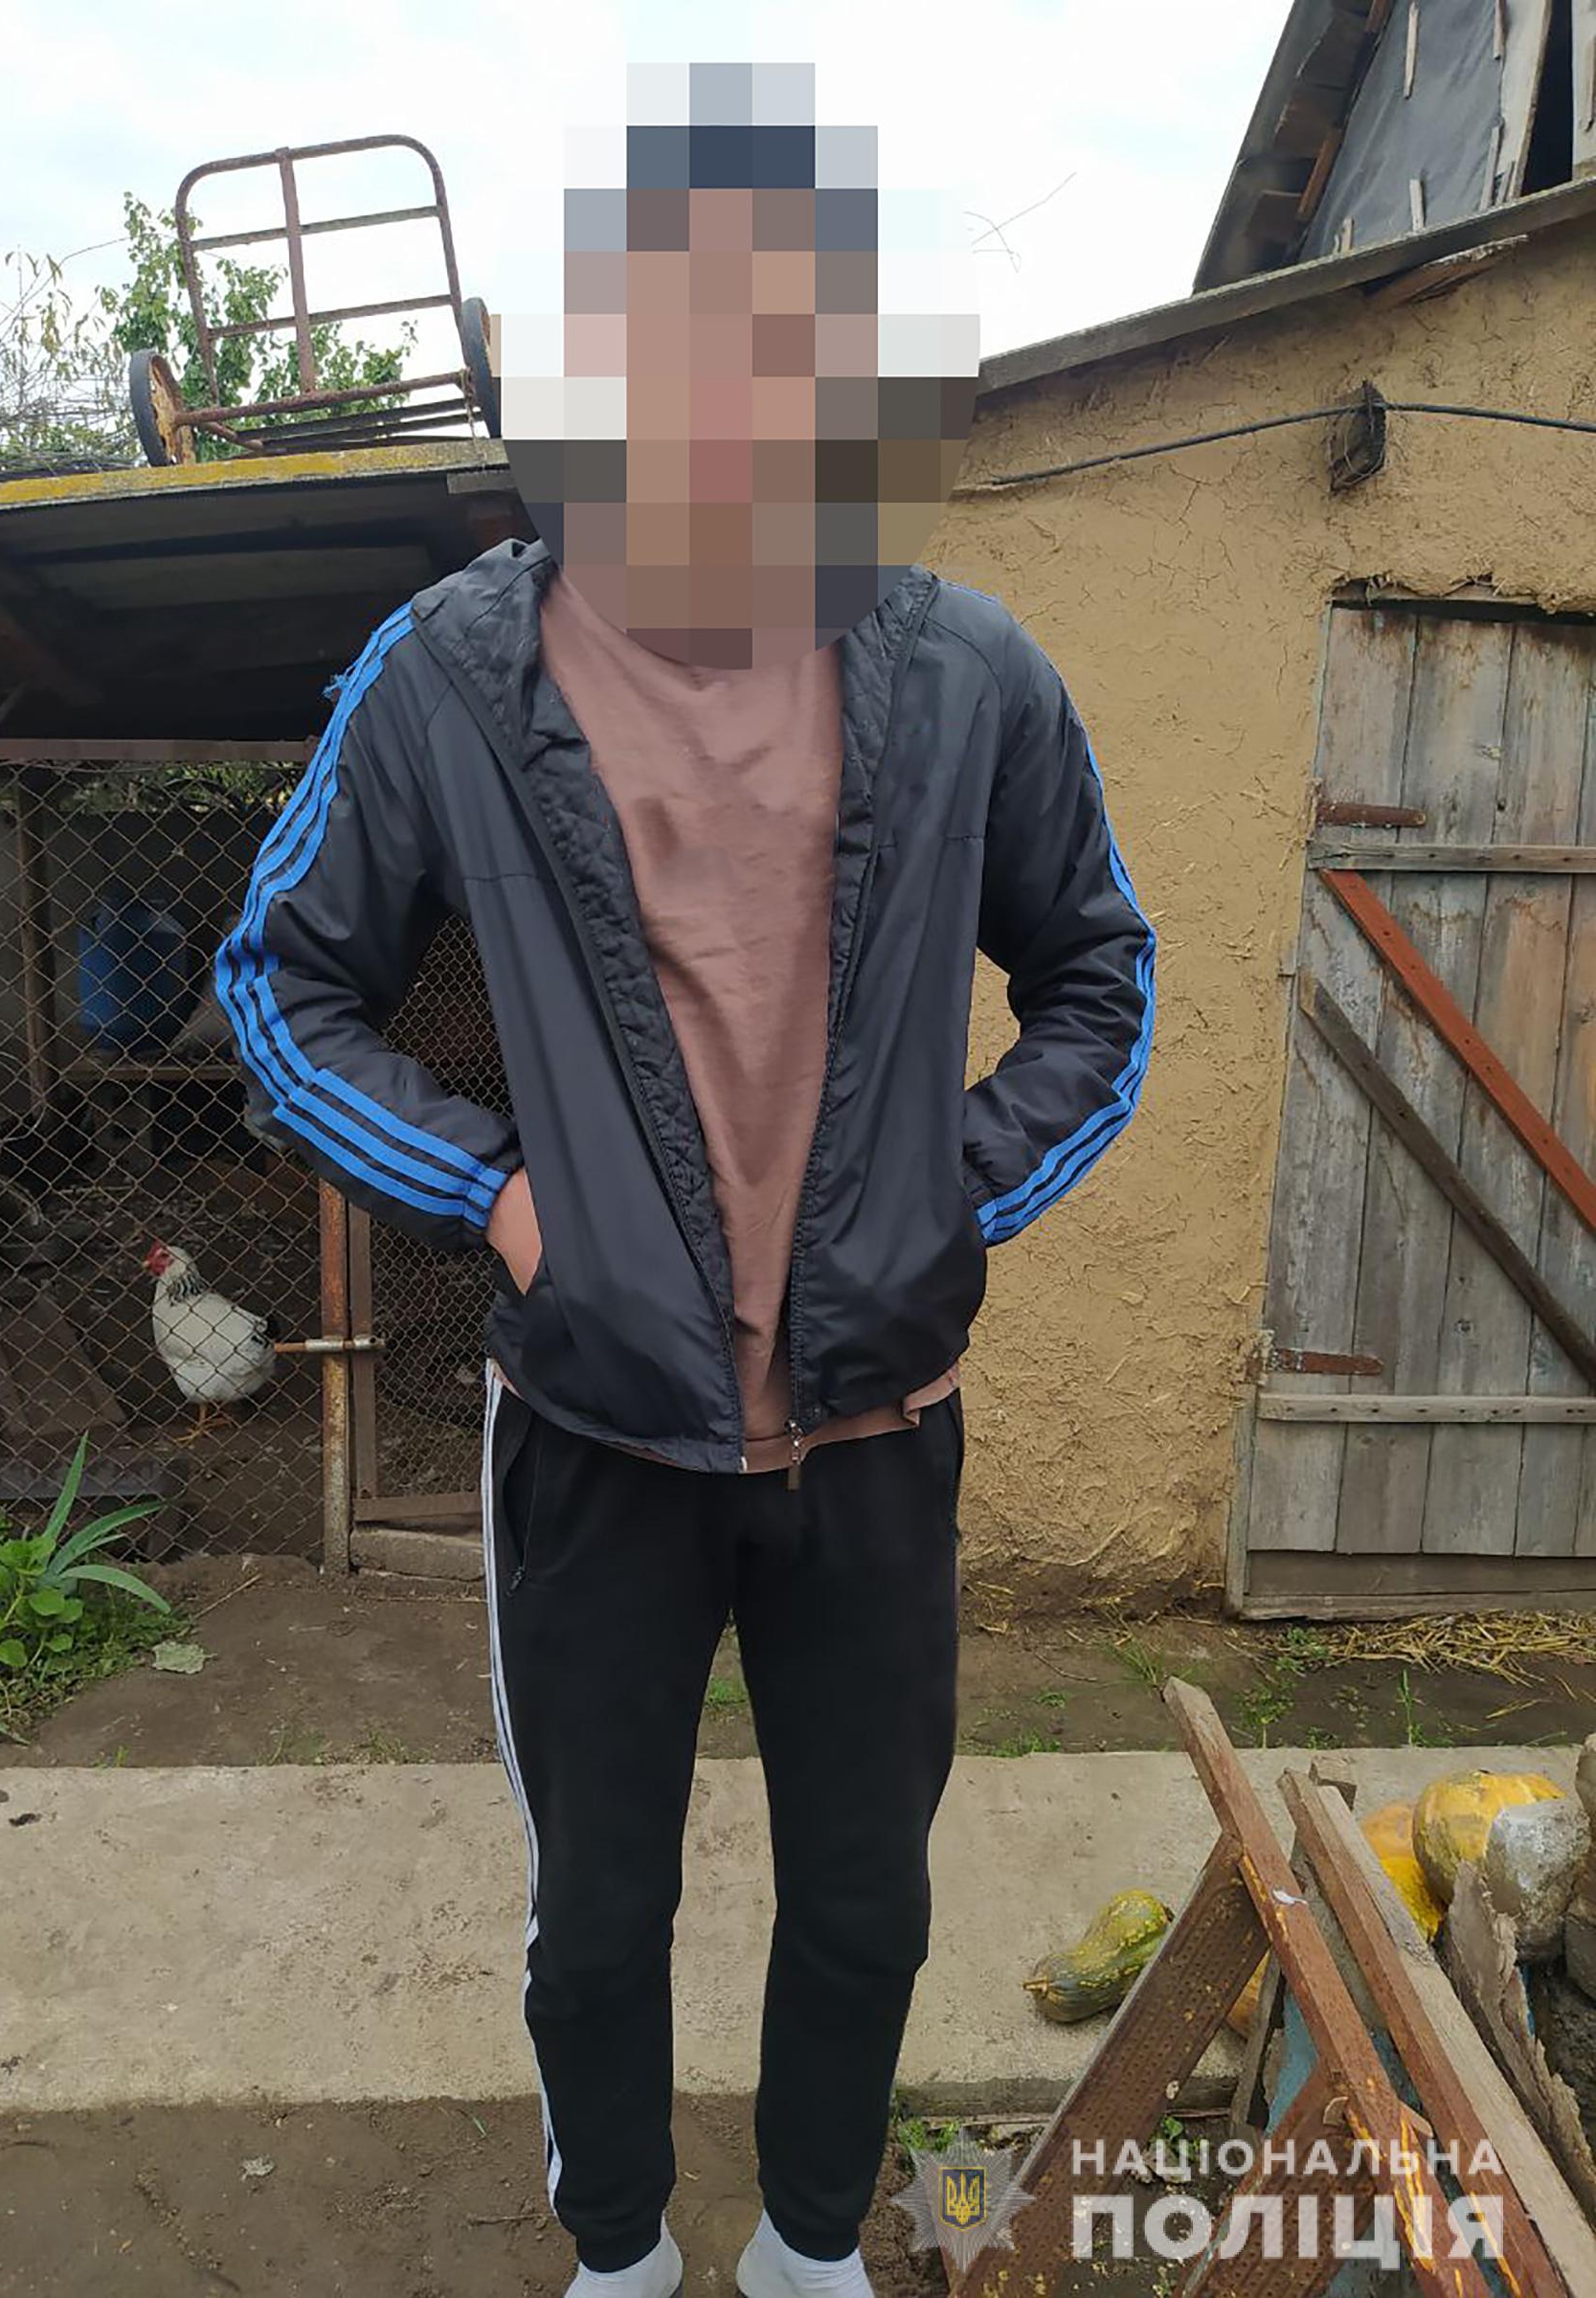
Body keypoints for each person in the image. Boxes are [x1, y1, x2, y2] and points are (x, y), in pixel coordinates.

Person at [216, 60, 1155, 2298]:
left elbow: (1100, 981)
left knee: (866, 1900)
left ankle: (812, 2250)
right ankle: (623, 2252)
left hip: (876, 1435)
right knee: (598, 1911)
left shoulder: (968, 674)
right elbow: (281, 983)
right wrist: (500, 1199)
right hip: (597, 1432)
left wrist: (946, 1201)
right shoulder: (457, 673)